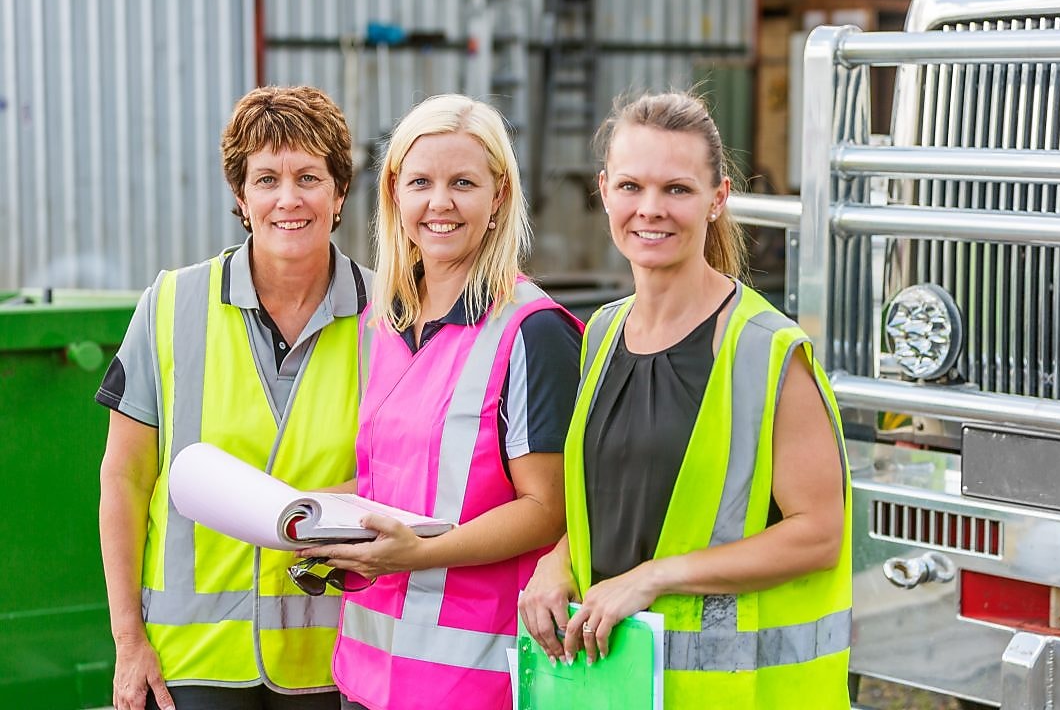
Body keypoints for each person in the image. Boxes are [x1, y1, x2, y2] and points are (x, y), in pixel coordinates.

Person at [517, 91, 854, 709]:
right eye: (630, 187)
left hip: (734, 695)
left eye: (677, 189)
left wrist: (652, 577)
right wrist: (556, 562)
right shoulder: (600, 335)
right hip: (614, 685)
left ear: (717, 199)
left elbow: (819, 535)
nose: (650, 210)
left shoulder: (766, 351)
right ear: (604, 191)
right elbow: (616, 499)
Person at [296, 94, 582, 710]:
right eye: (421, 182)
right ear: (396, 193)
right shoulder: (384, 322)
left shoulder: (532, 329)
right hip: (368, 670)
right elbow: (396, 483)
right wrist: (313, 516)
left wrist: (420, 553)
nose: (439, 203)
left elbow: (549, 509)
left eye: (463, 183)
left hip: (475, 678)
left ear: (498, 195)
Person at [96, 85, 371, 710]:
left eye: (309, 176)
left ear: (339, 192)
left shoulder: (389, 317)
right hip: (190, 663)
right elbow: (126, 479)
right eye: (266, 178)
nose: (288, 198)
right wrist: (127, 639)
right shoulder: (170, 305)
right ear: (241, 198)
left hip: (336, 656)